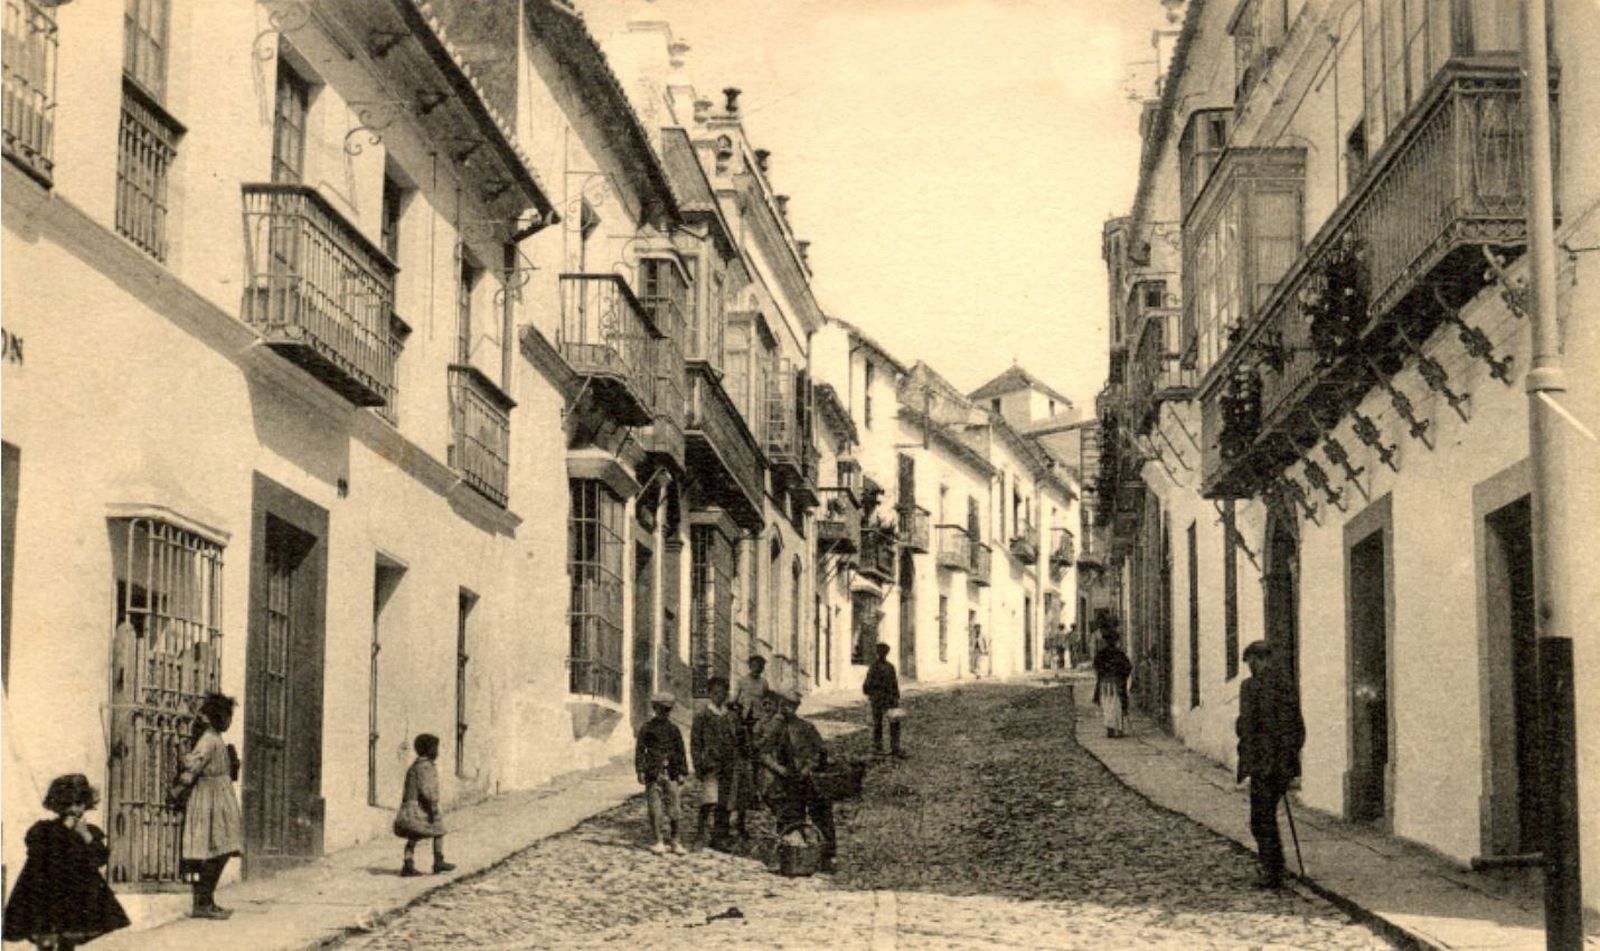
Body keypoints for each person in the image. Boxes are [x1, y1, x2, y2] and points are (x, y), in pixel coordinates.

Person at [2, 774, 130, 950]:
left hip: (75, 896)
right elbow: (37, 851)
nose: (75, 810)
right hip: (45, 894)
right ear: (59, 806)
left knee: (68, 940)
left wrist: (86, 835)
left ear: (86, 804)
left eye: (79, 804)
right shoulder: (44, 830)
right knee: (45, 938)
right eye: (68, 804)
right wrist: (64, 829)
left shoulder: (89, 831)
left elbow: (99, 858)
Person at [1236, 640, 1306, 889]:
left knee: (1261, 820)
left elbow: (1247, 727)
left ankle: (1273, 871)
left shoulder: (1251, 687)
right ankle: (1273, 867)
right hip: (1278, 764)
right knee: (1265, 818)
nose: (1251, 667)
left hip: (1263, 764)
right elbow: (1297, 729)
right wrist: (1288, 759)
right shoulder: (1285, 686)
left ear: (1258, 660)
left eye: (1251, 662)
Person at [173, 692, 243, 919]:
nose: (229, 721)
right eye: (226, 716)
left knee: (222, 847)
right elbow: (193, 766)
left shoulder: (215, 738)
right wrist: (179, 789)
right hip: (209, 798)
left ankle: (208, 900)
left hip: (219, 796)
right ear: (216, 717)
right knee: (213, 850)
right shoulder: (209, 739)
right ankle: (203, 903)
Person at [760, 684, 837, 873]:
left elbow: (820, 752)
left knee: (822, 816)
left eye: (791, 705)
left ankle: (827, 856)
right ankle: (788, 855)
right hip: (786, 780)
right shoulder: (774, 729)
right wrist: (778, 768)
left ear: (796, 707)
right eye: (784, 704)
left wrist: (809, 766)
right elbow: (763, 753)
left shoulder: (806, 727)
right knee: (789, 819)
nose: (786, 708)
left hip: (809, 780)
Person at [690, 676, 742, 851]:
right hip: (710, 764)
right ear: (710, 694)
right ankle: (700, 835)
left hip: (729, 764)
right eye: (715, 693)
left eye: (722, 693)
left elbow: (738, 739)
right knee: (709, 800)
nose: (719, 696)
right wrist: (698, 765)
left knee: (725, 802)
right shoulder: (703, 716)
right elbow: (695, 743)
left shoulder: (730, 716)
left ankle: (720, 837)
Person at [393, 734, 455, 877]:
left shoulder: (416, 766)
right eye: (435, 748)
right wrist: (433, 807)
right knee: (439, 830)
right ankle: (438, 861)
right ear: (428, 750)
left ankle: (408, 863)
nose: (437, 752)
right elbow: (426, 790)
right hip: (420, 807)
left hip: (411, 808)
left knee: (413, 836)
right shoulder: (425, 767)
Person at [635, 691, 688, 855]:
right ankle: (658, 841)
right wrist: (640, 770)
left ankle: (675, 841)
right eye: (660, 709)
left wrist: (681, 772)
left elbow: (680, 751)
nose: (663, 713)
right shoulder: (647, 728)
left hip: (671, 773)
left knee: (675, 808)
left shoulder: (674, 729)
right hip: (653, 772)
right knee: (655, 809)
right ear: (654, 708)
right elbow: (640, 751)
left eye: (667, 710)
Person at [862, 642, 904, 757]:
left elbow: (866, 685)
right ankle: (894, 747)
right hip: (888, 699)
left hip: (878, 699)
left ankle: (879, 747)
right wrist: (896, 698)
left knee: (878, 724)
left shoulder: (874, 667)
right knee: (893, 723)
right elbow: (894, 685)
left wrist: (871, 693)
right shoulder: (890, 667)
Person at [1092, 630, 1133, 738]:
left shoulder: (1101, 654)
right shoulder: (1119, 654)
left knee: (1107, 707)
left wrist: (1102, 674)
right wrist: (1122, 677)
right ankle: (1118, 730)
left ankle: (1110, 729)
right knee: (1116, 706)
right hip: (1116, 684)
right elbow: (1127, 667)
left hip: (1105, 684)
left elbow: (1096, 666)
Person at [729, 655, 768, 729]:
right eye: (754, 665)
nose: (756, 668)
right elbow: (735, 698)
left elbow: (766, 700)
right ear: (750, 666)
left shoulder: (764, 682)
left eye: (760, 666)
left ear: (762, 668)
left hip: (759, 717)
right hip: (744, 715)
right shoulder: (742, 681)